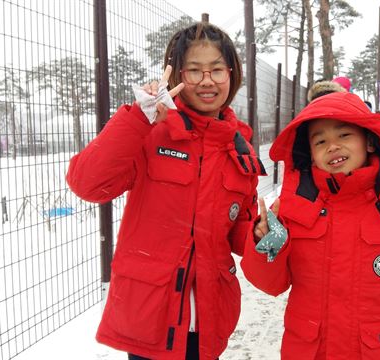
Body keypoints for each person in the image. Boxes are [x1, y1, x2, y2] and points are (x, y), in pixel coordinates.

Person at [66, 22, 265, 360]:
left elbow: (235, 230)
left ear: (232, 74)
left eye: (217, 70)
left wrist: (257, 233)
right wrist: (136, 119)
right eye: (194, 70)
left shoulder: (239, 149)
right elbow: (87, 184)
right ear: (175, 76)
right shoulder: (151, 132)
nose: (207, 81)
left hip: (209, 318)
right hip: (150, 316)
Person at [241, 92, 380, 359]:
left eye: (344, 135)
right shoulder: (292, 208)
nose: (332, 146)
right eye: (320, 141)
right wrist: (267, 242)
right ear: (310, 153)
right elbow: (271, 284)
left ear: (368, 141)